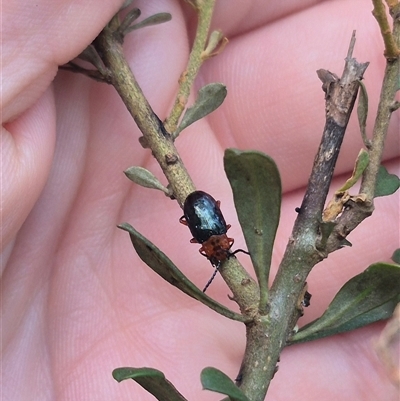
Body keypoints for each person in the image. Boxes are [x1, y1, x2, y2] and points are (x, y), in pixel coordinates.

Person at [2, 1, 399, 400]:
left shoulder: (214, 237)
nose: (222, 250)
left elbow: (202, 216)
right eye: (221, 249)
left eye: (219, 250)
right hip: (199, 205)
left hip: (198, 206)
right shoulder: (216, 236)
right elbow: (204, 213)